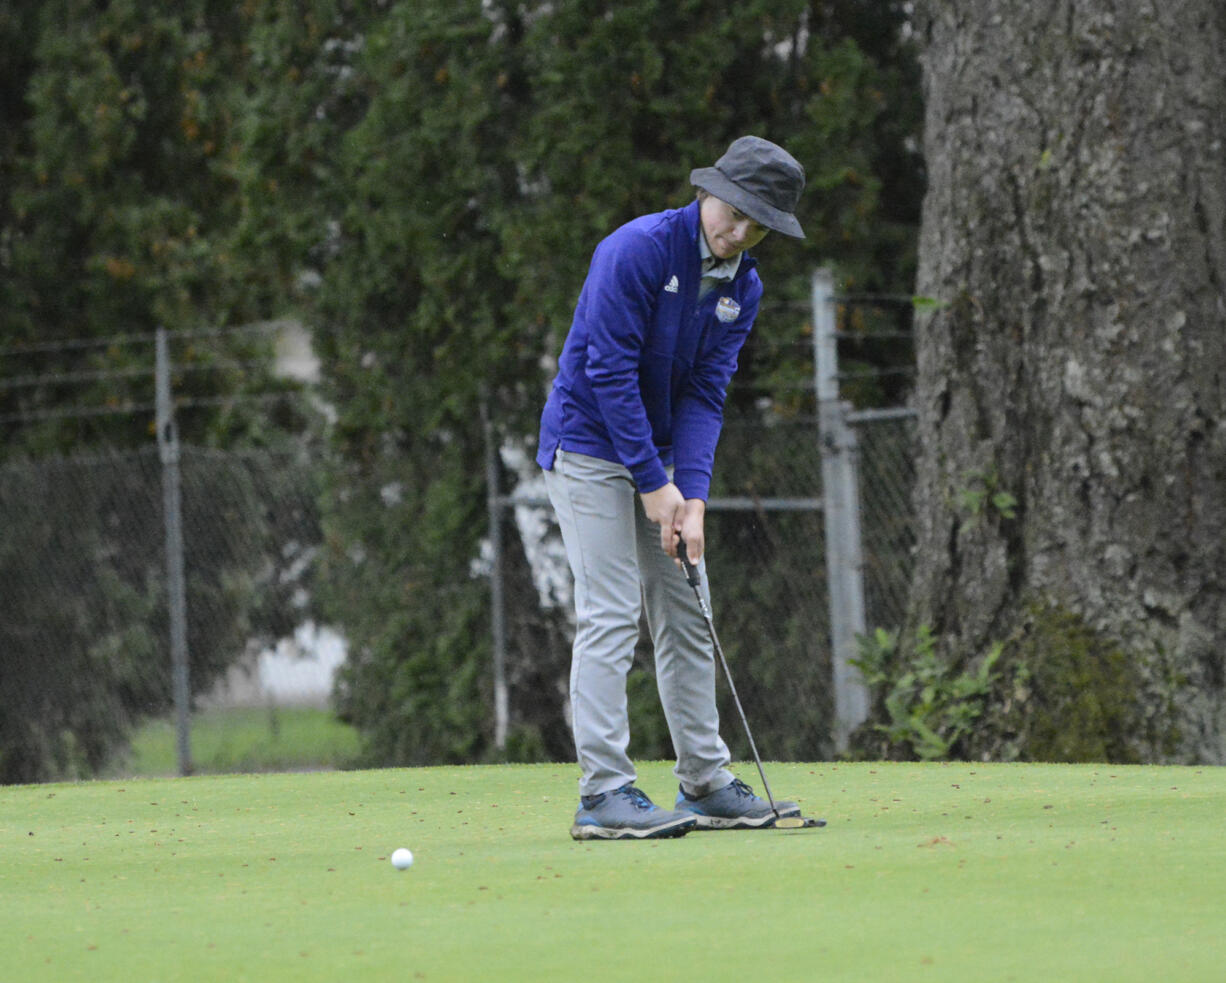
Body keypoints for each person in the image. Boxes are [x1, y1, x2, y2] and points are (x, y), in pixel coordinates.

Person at [537, 136, 807, 840]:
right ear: (707, 192)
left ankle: (706, 781)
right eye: (735, 212)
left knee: (690, 611)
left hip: (661, 458)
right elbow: (609, 372)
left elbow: (705, 396)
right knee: (611, 609)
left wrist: (692, 496)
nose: (739, 231)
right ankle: (603, 791)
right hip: (590, 445)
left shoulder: (742, 286)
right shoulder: (635, 251)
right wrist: (655, 485)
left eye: (758, 226)